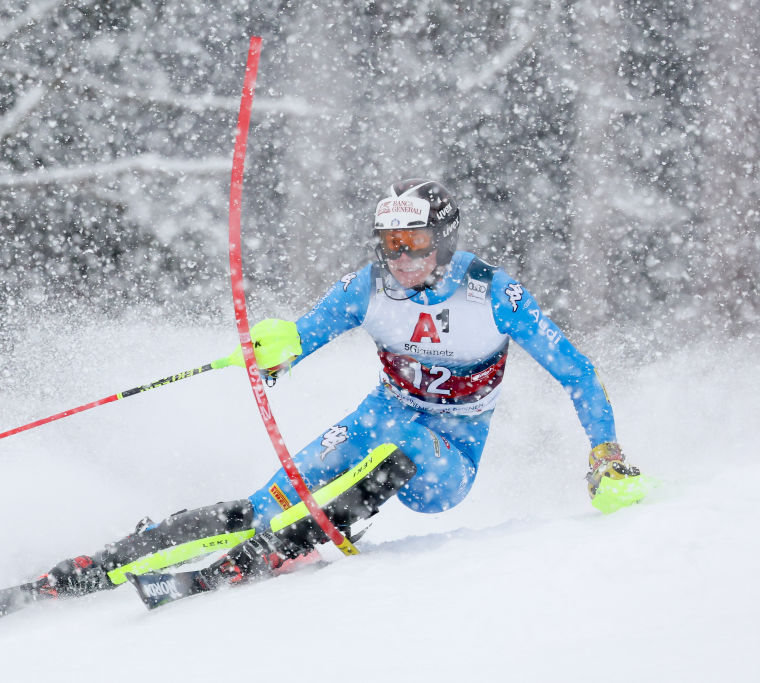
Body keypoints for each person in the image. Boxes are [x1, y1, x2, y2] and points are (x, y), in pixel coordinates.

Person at [34, 178, 645, 599]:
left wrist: (606, 451)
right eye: (390, 245)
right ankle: (119, 558)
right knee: (266, 502)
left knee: (398, 443)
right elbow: (304, 335)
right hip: (377, 420)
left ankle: (298, 541)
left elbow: (578, 374)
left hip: (448, 458)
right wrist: (276, 349)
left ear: (444, 241)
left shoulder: (493, 294)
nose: (400, 260)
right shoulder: (368, 287)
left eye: (413, 245)